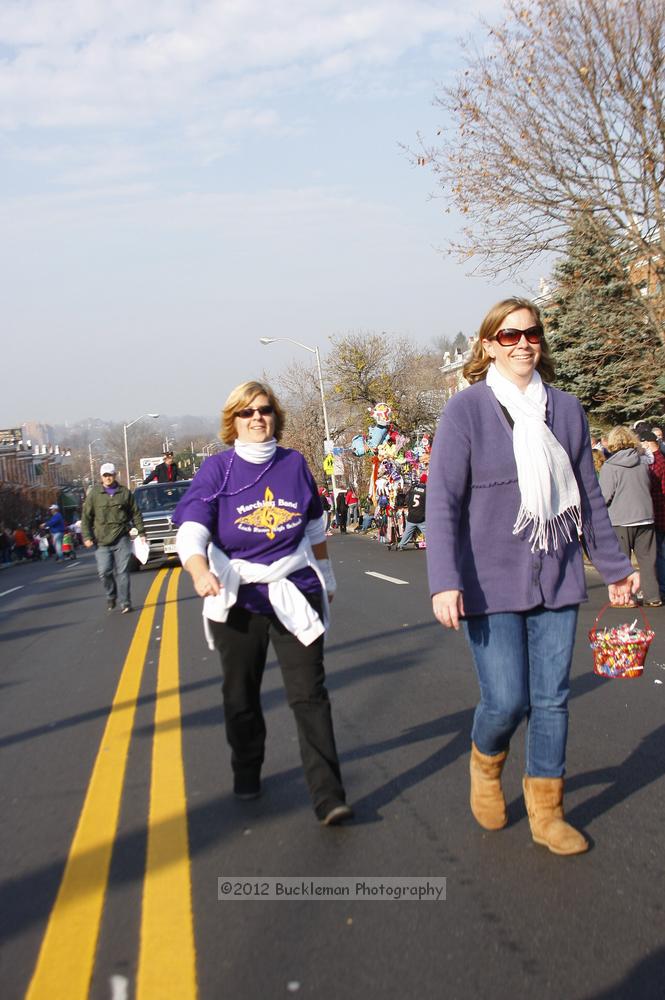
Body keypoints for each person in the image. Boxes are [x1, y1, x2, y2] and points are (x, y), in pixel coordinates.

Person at [427, 296, 638, 856]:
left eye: (532, 334)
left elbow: (588, 496)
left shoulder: (565, 409)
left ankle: (548, 810)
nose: (523, 343)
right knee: (506, 701)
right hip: (487, 581)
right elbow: (443, 502)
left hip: (558, 573)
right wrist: (444, 579)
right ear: (488, 344)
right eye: (509, 335)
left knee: (552, 699)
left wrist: (616, 568)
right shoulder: (466, 410)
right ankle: (485, 760)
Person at [173, 380, 352, 826]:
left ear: (276, 417)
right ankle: (247, 768)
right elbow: (192, 527)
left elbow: (314, 528)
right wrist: (199, 570)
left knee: (310, 695)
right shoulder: (218, 470)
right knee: (241, 695)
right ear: (232, 422)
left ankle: (329, 796)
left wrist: (326, 576)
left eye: (265, 410)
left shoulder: (294, 464)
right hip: (238, 595)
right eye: (246, 412)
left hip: (294, 589)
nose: (257, 418)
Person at [598, 426, 661, 607]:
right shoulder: (642, 463)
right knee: (648, 561)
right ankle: (653, 596)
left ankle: (627, 598)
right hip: (645, 517)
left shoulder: (610, 467)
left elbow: (605, 495)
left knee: (623, 561)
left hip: (621, 519)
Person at [82, 462, 147, 613]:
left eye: (110, 475)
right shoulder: (95, 495)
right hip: (102, 541)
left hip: (121, 538)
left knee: (123, 572)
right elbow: (86, 517)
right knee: (104, 572)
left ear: (114, 475)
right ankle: (111, 595)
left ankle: (125, 602)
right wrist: (87, 536)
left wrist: (141, 532)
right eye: (105, 475)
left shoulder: (124, 493)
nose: (108, 478)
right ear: (101, 477)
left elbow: (135, 513)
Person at [640, 431, 665, 599]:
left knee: (659, 554)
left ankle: (662, 587)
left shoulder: (655, 462)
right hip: (659, 510)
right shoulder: (660, 459)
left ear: (647, 443)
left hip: (658, 511)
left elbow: (651, 487)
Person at [397, 474, 427, 550]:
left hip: (411, 515)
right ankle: (436, 545)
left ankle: (400, 545)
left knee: (407, 533)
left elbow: (407, 500)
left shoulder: (413, 488)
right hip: (421, 517)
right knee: (428, 532)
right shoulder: (427, 491)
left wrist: (410, 508)